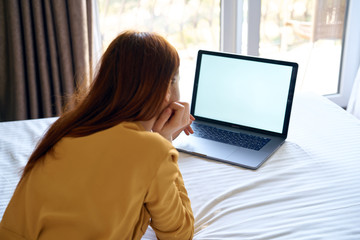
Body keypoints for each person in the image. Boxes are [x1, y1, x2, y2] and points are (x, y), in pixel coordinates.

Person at [0, 31, 194, 239]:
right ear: (166, 88)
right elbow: (179, 234)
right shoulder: (153, 151)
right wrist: (165, 140)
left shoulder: (67, 129)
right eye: (176, 80)